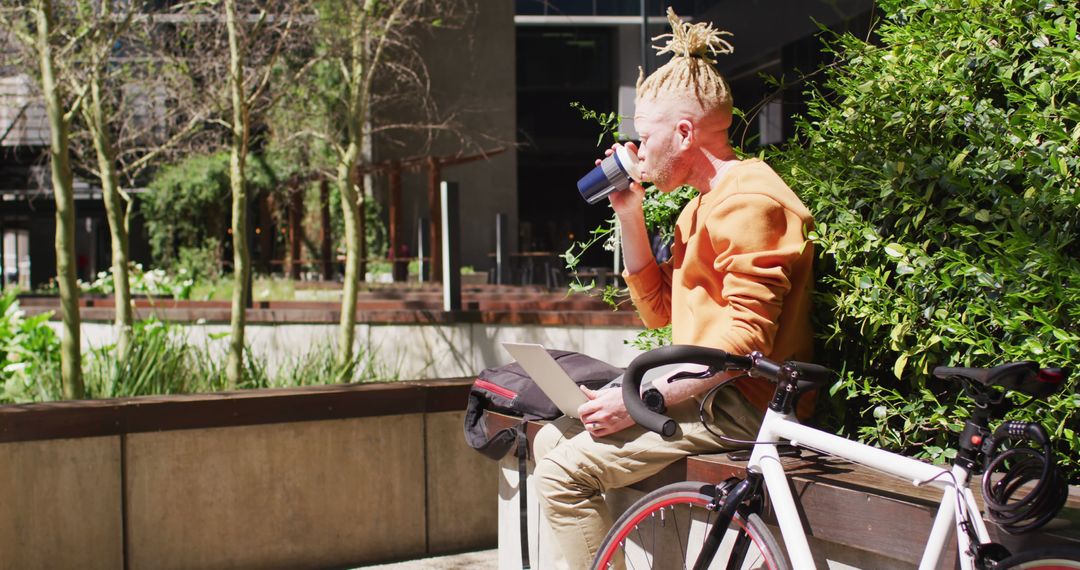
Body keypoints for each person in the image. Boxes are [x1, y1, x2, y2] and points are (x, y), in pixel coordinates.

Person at [532, 9, 815, 569]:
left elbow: (743, 349)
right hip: (706, 394)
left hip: (743, 407)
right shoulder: (698, 207)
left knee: (562, 474)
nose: (635, 148)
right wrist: (629, 213)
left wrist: (643, 399)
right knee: (548, 440)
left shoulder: (751, 201)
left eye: (644, 134)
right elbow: (658, 312)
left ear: (684, 132)